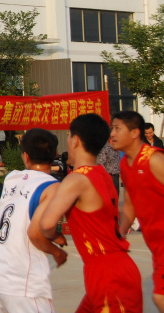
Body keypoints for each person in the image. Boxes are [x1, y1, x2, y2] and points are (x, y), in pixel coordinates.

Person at [40, 113, 143, 313]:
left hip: (108, 276)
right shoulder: (102, 173)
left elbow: (46, 223)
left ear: (75, 139)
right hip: (115, 269)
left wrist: (56, 237)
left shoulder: (76, 179)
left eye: (68, 137)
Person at [0, 129, 66, 313]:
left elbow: (25, 215)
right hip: (21, 279)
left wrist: (54, 235)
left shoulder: (12, 178)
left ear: (25, 156)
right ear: (54, 155)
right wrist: (58, 253)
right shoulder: (51, 186)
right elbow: (35, 233)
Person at [112, 110, 164, 312]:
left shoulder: (154, 160)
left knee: (160, 297)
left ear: (135, 132)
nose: (112, 134)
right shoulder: (125, 164)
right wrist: (120, 233)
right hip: (156, 245)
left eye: (117, 128)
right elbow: (130, 205)